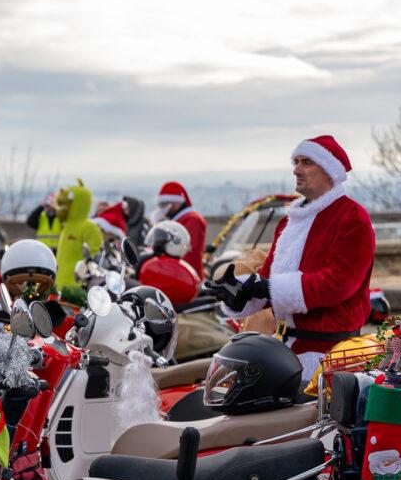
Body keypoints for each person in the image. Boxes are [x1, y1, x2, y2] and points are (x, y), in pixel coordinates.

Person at [208, 135, 375, 382]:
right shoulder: (289, 222)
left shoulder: (352, 218)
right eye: (296, 162)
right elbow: (267, 278)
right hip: (286, 351)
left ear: (330, 170)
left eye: (306, 162)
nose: (296, 169)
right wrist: (239, 294)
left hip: (329, 358)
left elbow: (338, 284)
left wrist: (268, 287)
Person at [54, 180, 104, 289]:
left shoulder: (90, 228)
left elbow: (94, 260)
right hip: (58, 285)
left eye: (67, 204)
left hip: (76, 289)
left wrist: (82, 284)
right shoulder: (66, 226)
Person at [153, 181, 206, 274]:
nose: (162, 208)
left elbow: (189, 253)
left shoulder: (192, 220)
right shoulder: (179, 220)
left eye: (164, 204)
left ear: (177, 203)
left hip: (185, 274)